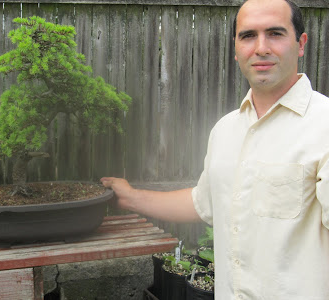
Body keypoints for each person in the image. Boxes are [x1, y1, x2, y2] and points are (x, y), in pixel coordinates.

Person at [101, 0, 329, 299]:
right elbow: (203, 202)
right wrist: (131, 198)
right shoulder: (225, 130)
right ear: (235, 50)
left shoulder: (323, 125)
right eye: (248, 36)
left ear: (300, 44)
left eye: (275, 33)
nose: (261, 47)